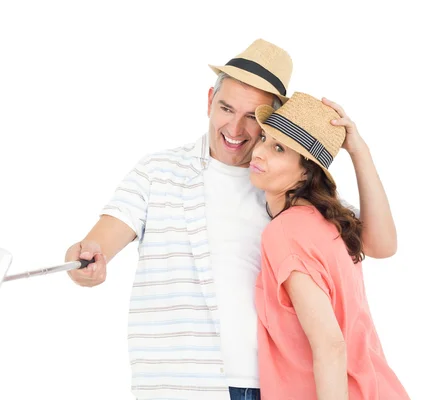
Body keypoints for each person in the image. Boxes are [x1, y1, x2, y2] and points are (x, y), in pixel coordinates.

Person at [64, 39, 397, 400]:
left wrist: (358, 150)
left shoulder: (285, 193)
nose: (236, 129)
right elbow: (99, 243)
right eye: (226, 108)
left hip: (267, 387)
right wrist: (88, 258)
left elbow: (380, 245)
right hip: (178, 385)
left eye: (254, 117)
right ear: (209, 101)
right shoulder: (157, 172)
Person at [250, 92, 408, 399]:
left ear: (305, 172)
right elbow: (384, 246)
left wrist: (358, 148)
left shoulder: (284, 231)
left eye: (279, 148)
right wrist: (358, 150)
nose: (259, 152)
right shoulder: (327, 220)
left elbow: (330, 345)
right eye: (265, 138)